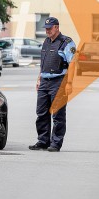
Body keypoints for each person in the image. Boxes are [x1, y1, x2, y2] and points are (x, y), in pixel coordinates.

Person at [29, 17, 75, 152]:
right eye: (46, 29)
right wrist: (39, 79)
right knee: (41, 113)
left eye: (49, 28)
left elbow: (73, 64)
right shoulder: (46, 41)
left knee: (58, 114)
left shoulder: (67, 42)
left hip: (59, 81)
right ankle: (43, 141)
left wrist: (69, 83)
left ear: (57, 27)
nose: (47, 31)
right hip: (44, 81)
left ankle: (55, 143)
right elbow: (44, 62)